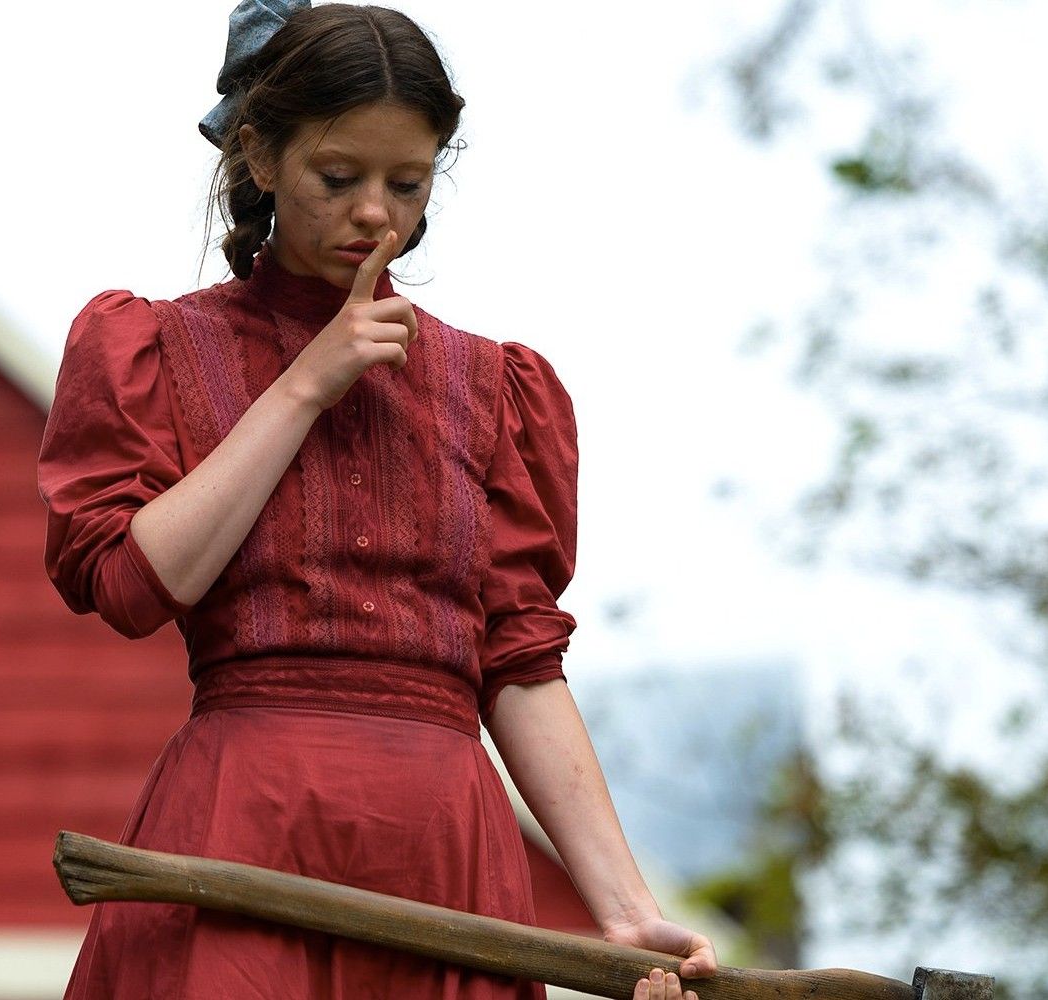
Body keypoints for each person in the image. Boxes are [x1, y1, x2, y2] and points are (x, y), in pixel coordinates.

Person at [37, 4, 720, 998]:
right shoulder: (152, 346)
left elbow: (520, 661)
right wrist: (305, 384)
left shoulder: (493, 387)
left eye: (405, 183)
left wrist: (619, 906)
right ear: (259, 156)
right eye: (338, 177)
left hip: (444, 849)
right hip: (243, 823)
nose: (374, 215)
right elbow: (139, 584)